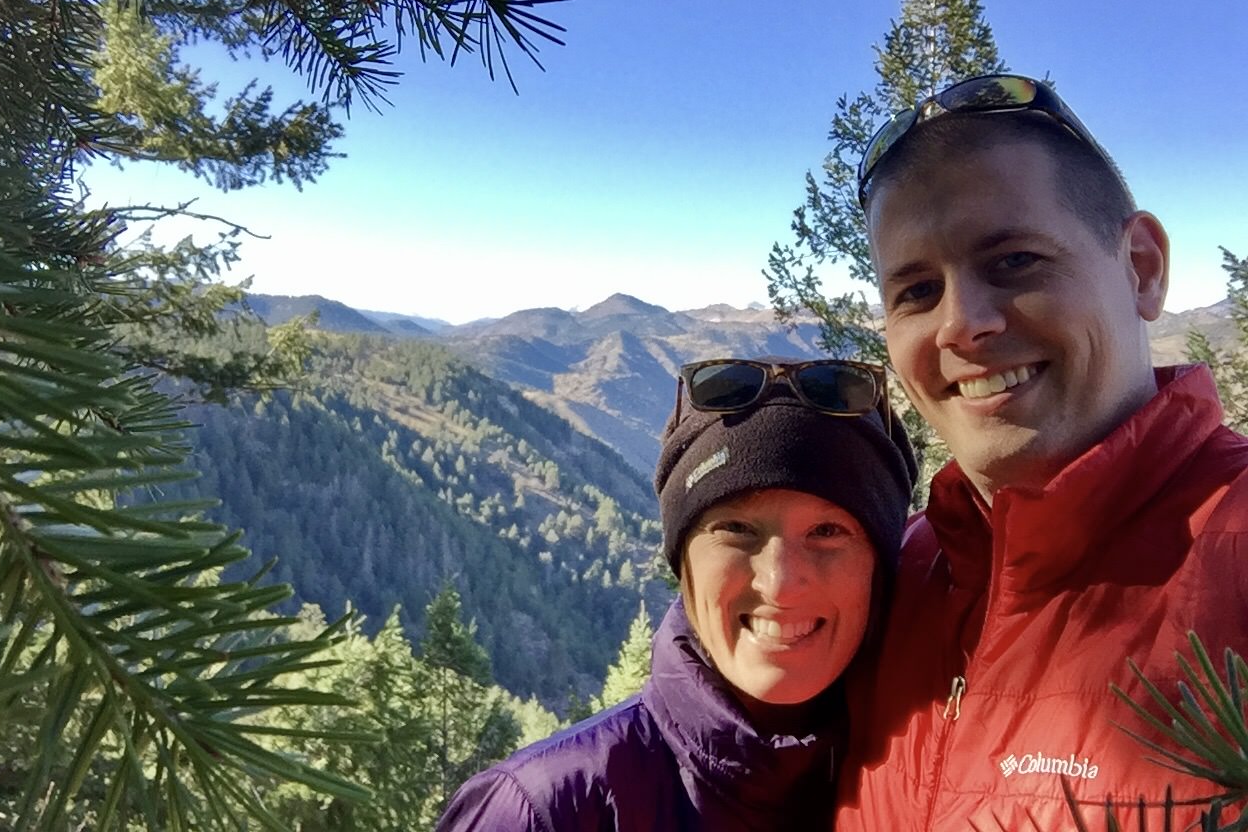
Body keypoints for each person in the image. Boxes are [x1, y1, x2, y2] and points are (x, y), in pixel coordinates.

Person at [838, 74, 1248, 832]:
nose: (963, 326)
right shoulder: (897, 583)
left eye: (1016, 261)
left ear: (1142, 267)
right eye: (918, 290)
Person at [438, 357, 917, 831]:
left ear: (880, 564)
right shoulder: (544, 810)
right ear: (682, 560)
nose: (780, 581)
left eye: (827, 531)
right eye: (735, 529)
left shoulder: (929, 781)